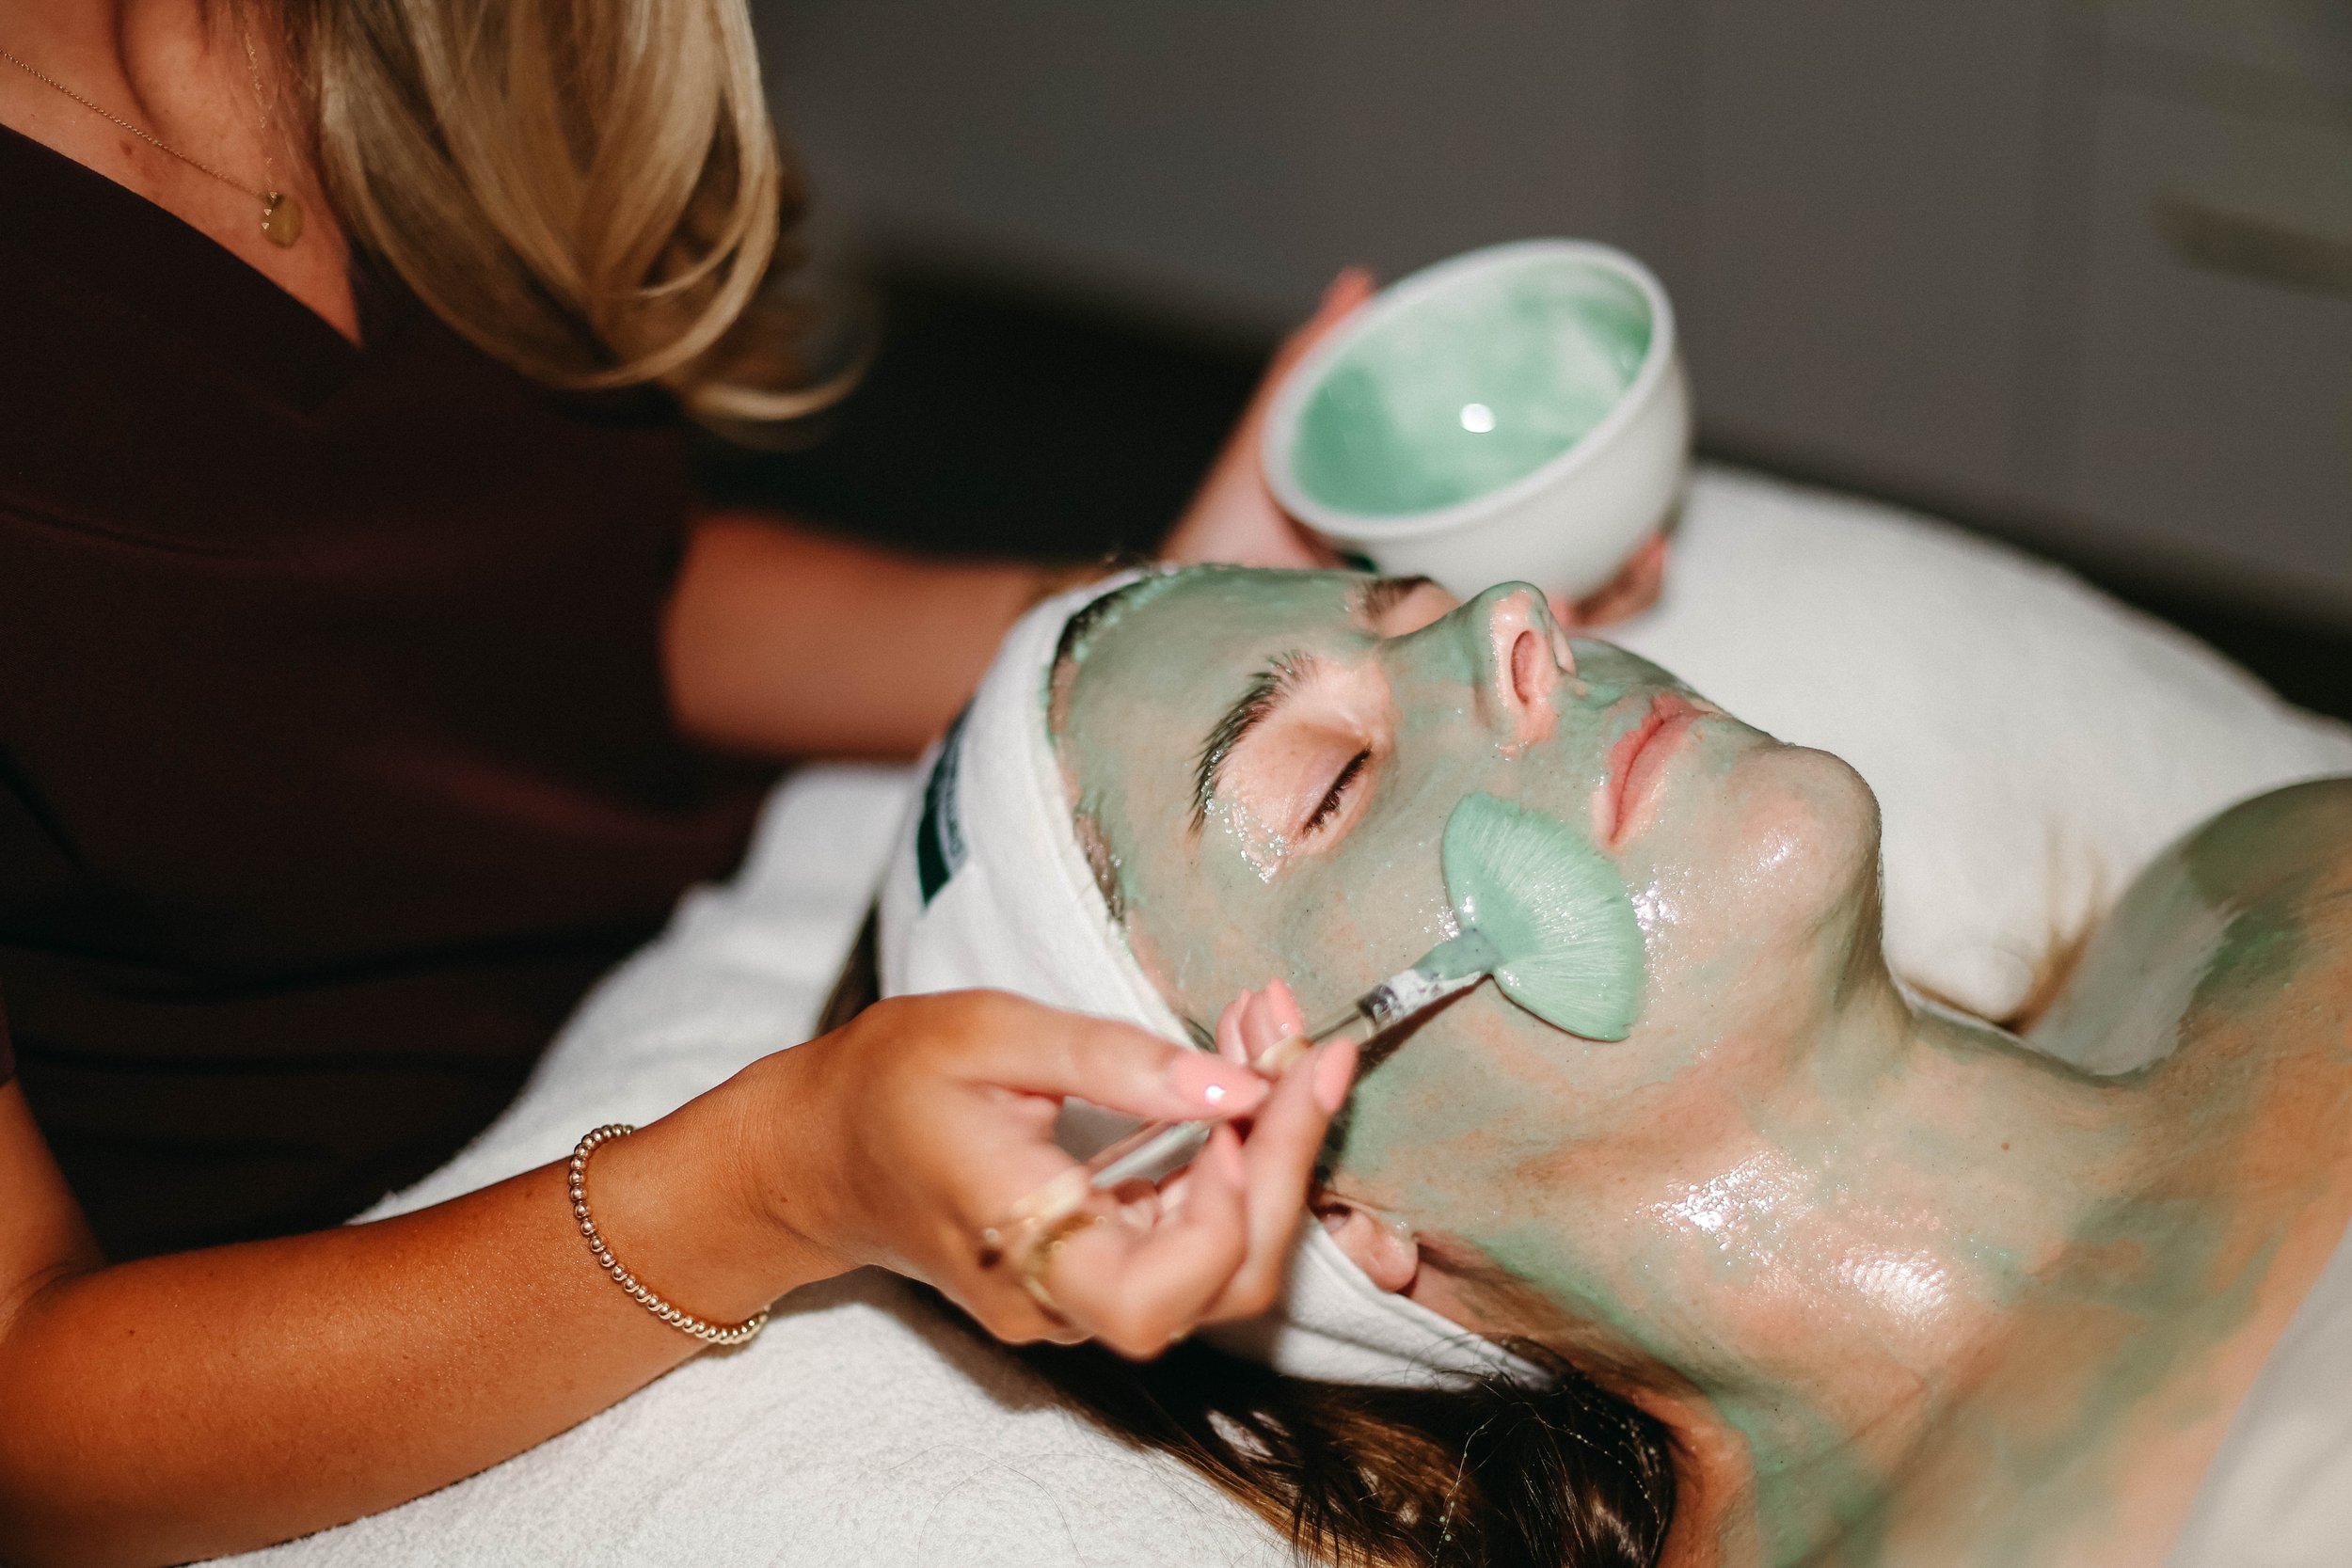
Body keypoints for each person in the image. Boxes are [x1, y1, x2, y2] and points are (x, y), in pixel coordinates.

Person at [0, 4, 1417, 1561]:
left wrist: (1124, 638)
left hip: (716, 980)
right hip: (313, 1339)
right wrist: (778, 1187)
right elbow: (26, 1436)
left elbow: (568, 585)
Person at [866, 565, 2352, 1568]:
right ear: (1331, 1210)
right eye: (1333, 780)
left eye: (1425, 609)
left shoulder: (2273, 888)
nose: (1511, 619)